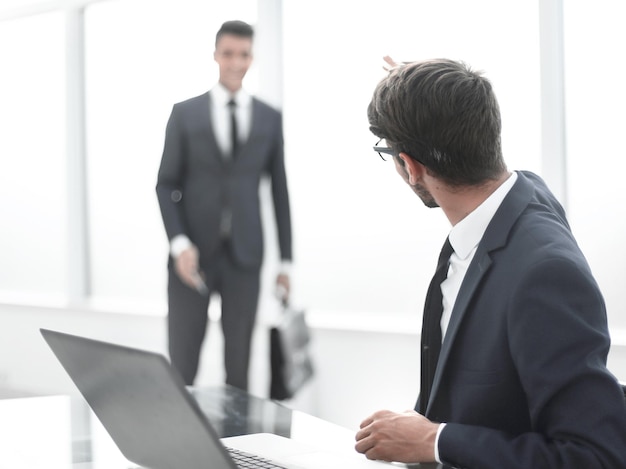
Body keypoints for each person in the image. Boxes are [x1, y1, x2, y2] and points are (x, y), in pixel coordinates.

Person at [355, 58, 626, 468]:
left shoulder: (545, 274)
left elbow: (594, 457)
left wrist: (435, 441)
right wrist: (424, 91)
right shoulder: (523, 196)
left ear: (410, 167)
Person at [155, 20, 292, 391]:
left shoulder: (268, 117)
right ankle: (178, 446)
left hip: (245, 258)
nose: (235, 62)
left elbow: (279, 192)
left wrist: (285, 263)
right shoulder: (184, 114)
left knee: (240, 369)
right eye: (228, 53)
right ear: (216, 55)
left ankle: (236, 448)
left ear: (252, 57)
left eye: (244, 54)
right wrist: (179, 243)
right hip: (192, 258)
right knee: (182, 366)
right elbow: (166, 184)